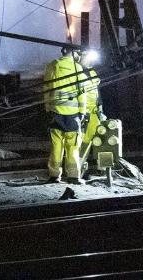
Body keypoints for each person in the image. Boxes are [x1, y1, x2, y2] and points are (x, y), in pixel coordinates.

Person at [43, 45, 88, 183]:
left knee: (56, 145)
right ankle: (73, 176)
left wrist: (48, 108)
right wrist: (83, 111)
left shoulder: (52, 65)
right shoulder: (77, 68)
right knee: (73, 146)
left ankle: (54, 175)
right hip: (73, 114)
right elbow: (82, 93)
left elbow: (46, 88)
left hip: (55, 112)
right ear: (74, 53)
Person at [78, 51, 103, 171]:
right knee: (83, 141)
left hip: (95, 112)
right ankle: (78, 168)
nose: (89, 60)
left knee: (99, 139)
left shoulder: (91, 71)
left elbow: (97, 89)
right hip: (84, 112)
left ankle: (102, 168)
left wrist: (101, 106)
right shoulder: (77, 71)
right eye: (87, 57)